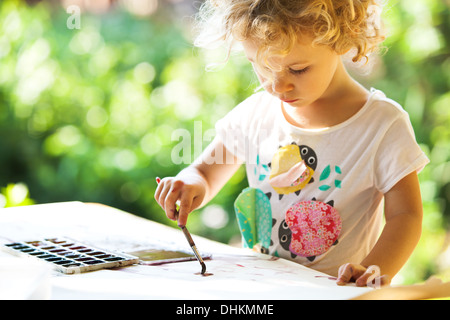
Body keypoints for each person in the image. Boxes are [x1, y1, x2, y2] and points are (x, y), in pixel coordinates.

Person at [154, 0, 429, 287]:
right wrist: (188, 184)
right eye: (260, 67)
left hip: (332, 293)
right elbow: (206, 173)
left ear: (340, 38)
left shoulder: (382, 124)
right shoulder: (257, 112)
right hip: (261, 288)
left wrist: (373, 269)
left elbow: (406, 215)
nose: (276, 86)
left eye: (297, 70)